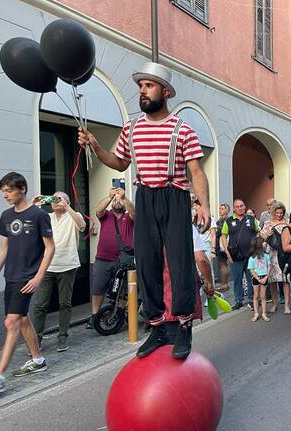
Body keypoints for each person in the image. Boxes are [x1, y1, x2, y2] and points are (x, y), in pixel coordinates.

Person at [78, 62, 210, 360]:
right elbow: (120, 163)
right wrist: (97, 147)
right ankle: (158, 327)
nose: (142, 91)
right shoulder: (132, 129)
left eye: (148, 86)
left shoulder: (182, 129)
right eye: (140, 87)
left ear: (164, 91)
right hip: (146, 197)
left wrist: (203, 204)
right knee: (147, 263)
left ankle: (184, 326)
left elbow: (197, 172)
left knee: (179, 264)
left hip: (175, 197)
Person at [0, 173, 55, 394]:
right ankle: (38, 360)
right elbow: (4, 248)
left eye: (8, 190)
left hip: (27, 277)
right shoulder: (6, 216)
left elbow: (50, 247)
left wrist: (38, 277)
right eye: (3, 191)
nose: (5, 195)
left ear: (22, 188)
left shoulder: (39, 215)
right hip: (11, 276)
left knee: (12, 322)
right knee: (22, 320)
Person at [31, 191, 86, 353]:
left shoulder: (73, 214)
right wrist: (34, 205)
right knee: (40, 305)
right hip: (47, 266)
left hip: (68, 265)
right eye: (53, 199)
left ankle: (63, 336)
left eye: (59, 199)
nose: (55, 202)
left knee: (65, 303)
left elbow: (82, 226)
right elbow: (30, 224)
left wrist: (67, 206)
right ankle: (37, 339)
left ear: (66, 202)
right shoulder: (46, 216)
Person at [87, 188, 135, 329]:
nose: (117, 201)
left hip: (124, 261)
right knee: (98, 288)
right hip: (103, 258)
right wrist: (110, 196)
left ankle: (118, 313)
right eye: (115, 200)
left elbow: (134, 212)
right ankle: (95, 316)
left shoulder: (129, 217)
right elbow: (99, 209)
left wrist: (124, 197)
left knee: (122, 290)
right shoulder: (106, 216)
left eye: (119, 200)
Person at [220, 199, 259, 310]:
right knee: (237, 278)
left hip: (251, 255)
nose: (240, 208)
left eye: (242, 206)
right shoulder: (229, 221)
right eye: (237, 206)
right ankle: (238, 300)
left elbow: (258, 232)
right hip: (235, 255)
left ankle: (252, 300)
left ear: (245, 206)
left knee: (250, 278)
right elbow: (223, 235)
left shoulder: (251, 219)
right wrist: (227, 252)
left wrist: (257, 246)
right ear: (234, 208)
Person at [260, 201, 291, 314]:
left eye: (281, 213)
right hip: (272, 255)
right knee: (272, 281)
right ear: (273, 212)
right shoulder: (268, 223)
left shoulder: (288, 223)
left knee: (285, 280)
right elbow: (261, 237)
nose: (279, 215)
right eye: (277, 213)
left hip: (285, 254)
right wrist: (265, 236)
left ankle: (287, 305)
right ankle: (274, 303)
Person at [247, 237, 271, 322]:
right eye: (263, 243)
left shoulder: (266, 256)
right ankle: (256, 313)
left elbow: (269, 266)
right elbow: (251, 269)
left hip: (264, 276)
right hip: (256, 277)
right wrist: (258, 278)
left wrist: (266, 277)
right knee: (256, 296)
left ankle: (264, 313)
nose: (265, 244)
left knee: (263, 296)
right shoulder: (252, 258)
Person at [214, 203, 231, 292]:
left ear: (227, 210)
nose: (220, 210)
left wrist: (215, 230)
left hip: (221, 245)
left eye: (223, 208)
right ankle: (226, 283)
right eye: (220, 208)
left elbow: (220, 232)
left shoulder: (223, 220)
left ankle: (224, 284)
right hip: (225, 245)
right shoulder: (227, 219)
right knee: (225, 264)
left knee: (222, 264)